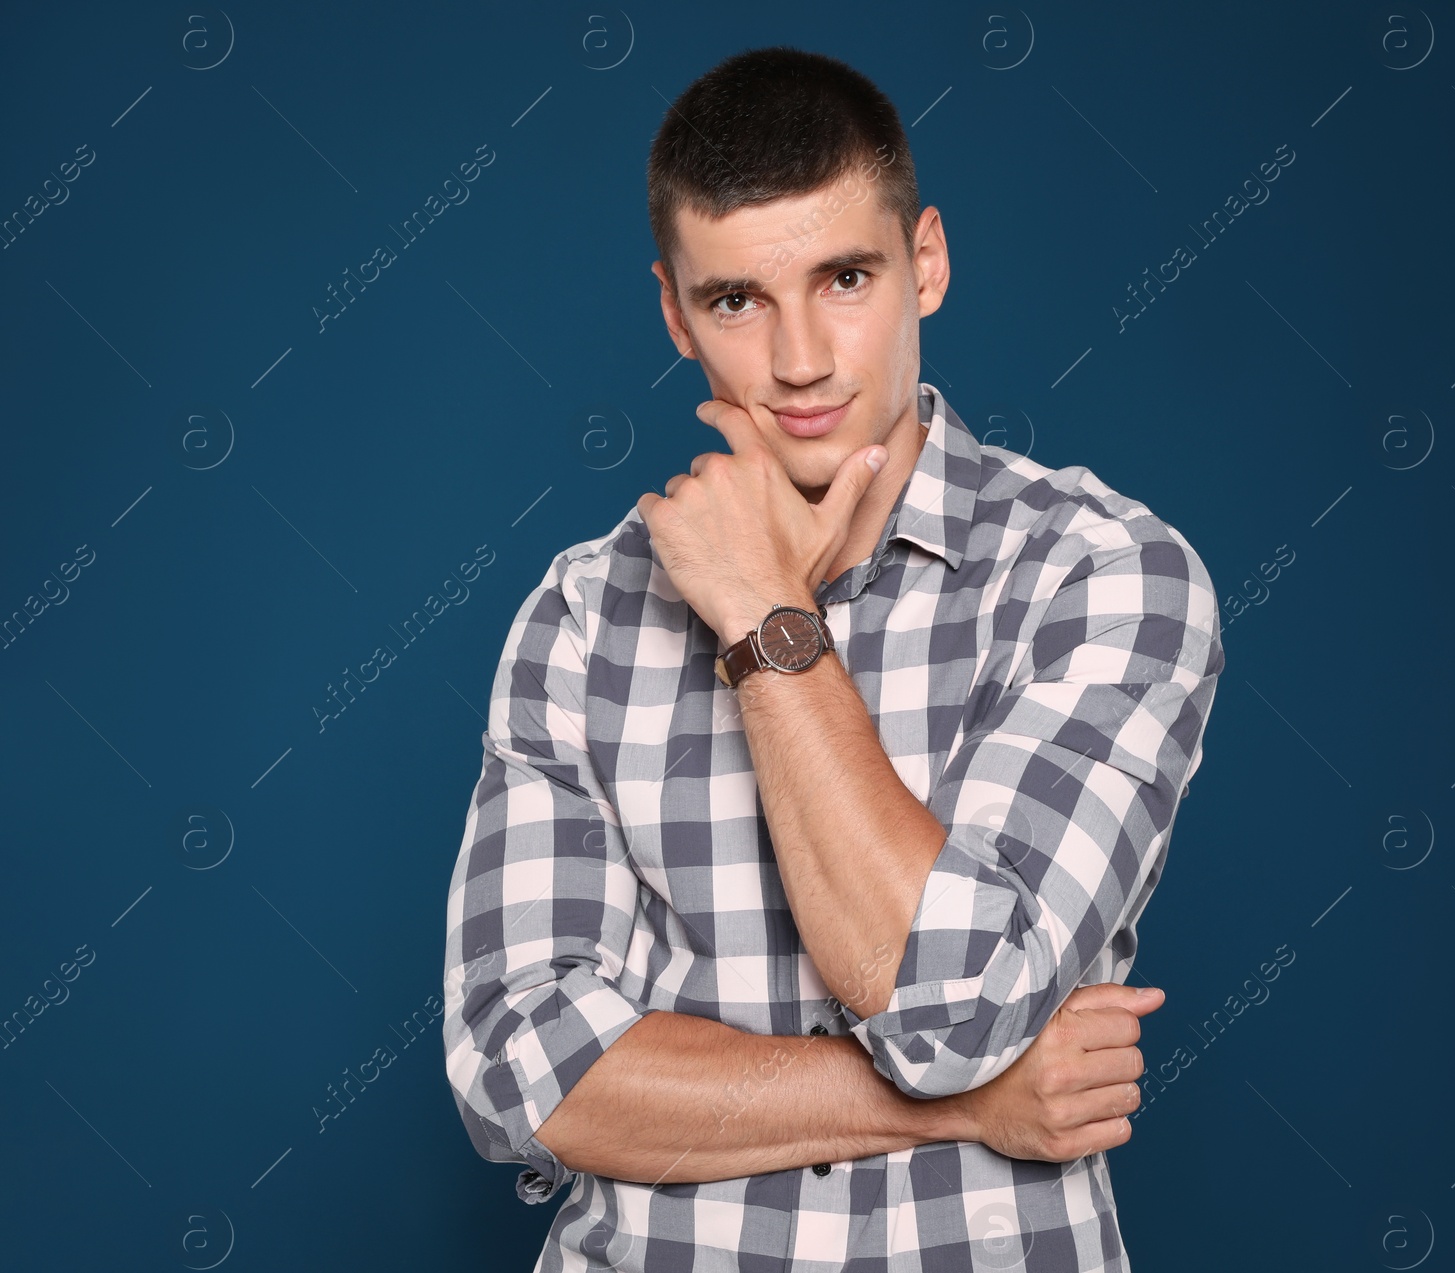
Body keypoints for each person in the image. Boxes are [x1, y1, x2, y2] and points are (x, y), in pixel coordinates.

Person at [442, 45, 1224, 1272]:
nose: (799, 360)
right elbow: (522, 1070)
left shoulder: (1102, 574)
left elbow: (950, 1002)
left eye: (844, 277)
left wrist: (762, 611)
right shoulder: (587, 612)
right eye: (738, 301)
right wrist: (971, 1106)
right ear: (673, 311)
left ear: (926, 264)